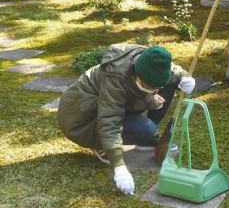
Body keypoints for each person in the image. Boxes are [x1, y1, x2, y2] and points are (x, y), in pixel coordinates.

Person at [58, 44, 196, 196]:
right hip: (82, 118)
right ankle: (100, 143)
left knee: (169, 88)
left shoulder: (150, 61)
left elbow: (171, 70)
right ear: (135, 72)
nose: (154, 91)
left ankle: (147, 138)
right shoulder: (115, 79)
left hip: (109, 105)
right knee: (139, 128)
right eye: (148, 86)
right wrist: (119, 167)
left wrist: (184, 77)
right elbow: (109, 121)